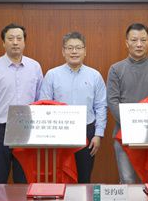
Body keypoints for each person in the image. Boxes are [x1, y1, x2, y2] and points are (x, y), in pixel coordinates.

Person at [40, 31, 107, 183]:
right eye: (70, 48)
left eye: (78, 48)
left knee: (84, 178)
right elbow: (44, 106)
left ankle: (83, 200)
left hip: (87, 131)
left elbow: (101, 106)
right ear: (63, 51)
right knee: (59, 177)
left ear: (85, 51)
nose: (74, 51)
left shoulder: (95, 76)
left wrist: (98, 134)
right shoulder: (52, 75)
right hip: (59, 132)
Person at [107, 23, 148, 184]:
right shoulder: (116, 69)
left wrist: (145, 126)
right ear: (127, 42)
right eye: (134, 40)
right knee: (127, 180)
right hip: (124, 135)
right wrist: (132, 125)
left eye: (143, 40)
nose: (139, 44)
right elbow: (112, 101)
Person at [0, 23, 43, 183]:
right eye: (10, 38)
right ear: (3, 42)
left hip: (26, 128)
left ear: (24, 42)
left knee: (24, 181)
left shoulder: (35, 67)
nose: (15, 42)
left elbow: (40, 101)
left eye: (19, 38)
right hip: (0, 129)